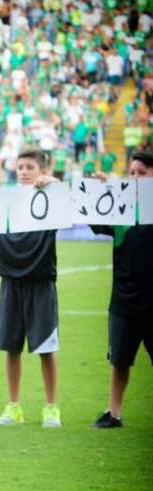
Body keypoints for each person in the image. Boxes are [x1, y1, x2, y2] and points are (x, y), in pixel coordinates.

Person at [0, 147, 61, 428]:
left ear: (41, 171)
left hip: (41, 284)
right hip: (11, 283)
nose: (23, 172)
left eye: (30, 167)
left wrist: (53, 183)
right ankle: (13, 406)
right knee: (11, 348)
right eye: (20, 167)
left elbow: (77, 200)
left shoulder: (53, 200)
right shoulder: (5, 201)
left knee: (46, 350)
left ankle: (51, 408)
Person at [90, 151, 153, 429]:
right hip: (123, 301)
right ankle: (114, 413)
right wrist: (100, 189)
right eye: (132, 173)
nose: (136, 178)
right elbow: (95, 219)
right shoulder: (120, 208)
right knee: (119, 361)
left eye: (142, 173)